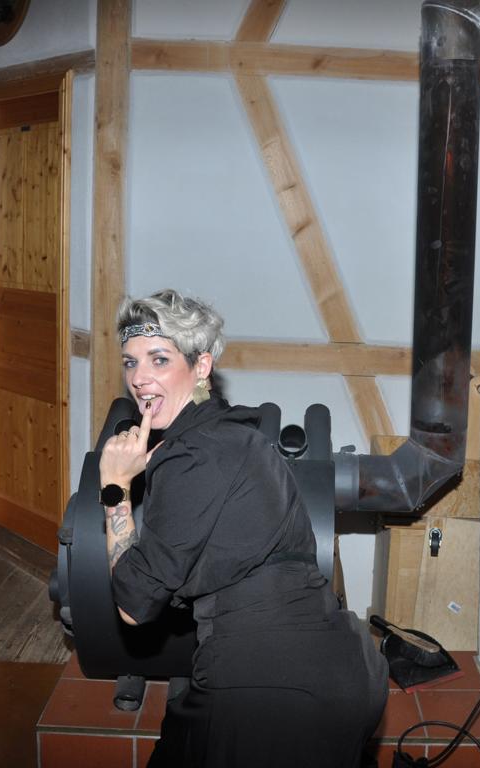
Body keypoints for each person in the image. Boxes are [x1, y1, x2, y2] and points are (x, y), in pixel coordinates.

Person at [100, 289, 388, 767]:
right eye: (131, 362)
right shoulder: (239, 436)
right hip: (343, 667)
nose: (139, 377)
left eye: (159, 359)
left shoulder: (191, 454)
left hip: (270, 690)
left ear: (201, 366)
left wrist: (114, 486)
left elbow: (134, 603)